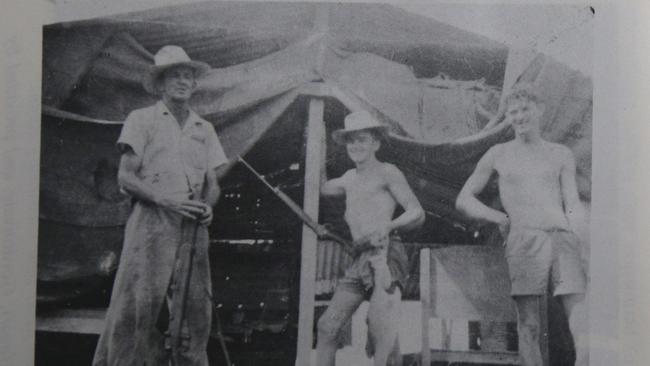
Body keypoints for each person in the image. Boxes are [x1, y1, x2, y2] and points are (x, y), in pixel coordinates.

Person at [92, 45, 228, 366]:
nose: (182, 82)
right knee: (136, 305)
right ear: (161, 84)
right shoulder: (142, 119)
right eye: (174, 76)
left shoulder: (203, 129)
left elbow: (213, 183)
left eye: (187, 76)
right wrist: (166, 200)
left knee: (195, 308)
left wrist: (208, 207)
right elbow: (125, 177)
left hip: (193, 226)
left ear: (194, 85)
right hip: (152, 221)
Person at [455, 84, 588, 366]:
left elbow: (572, 203)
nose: (519, 116)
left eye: (525, 109)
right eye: (513, 112)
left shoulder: (560, 153)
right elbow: (464, 199)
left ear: (539, 110)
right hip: (524, 240)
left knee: (578, 315)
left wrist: (582, 239)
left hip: (561, 237)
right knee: (528, 322)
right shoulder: (498, 153)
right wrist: (497, 217)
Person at [316, 110, 425, 366]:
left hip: (385, 254)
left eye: (362, 139)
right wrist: (318, 144)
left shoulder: (388, 172)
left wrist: (388, 226)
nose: (355, 145)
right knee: (326, 327)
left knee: (382, 337)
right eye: (351, 140)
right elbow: (321, 187)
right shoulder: (347, 179)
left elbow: (417, 212)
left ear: (375, 143)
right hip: (359, 259)